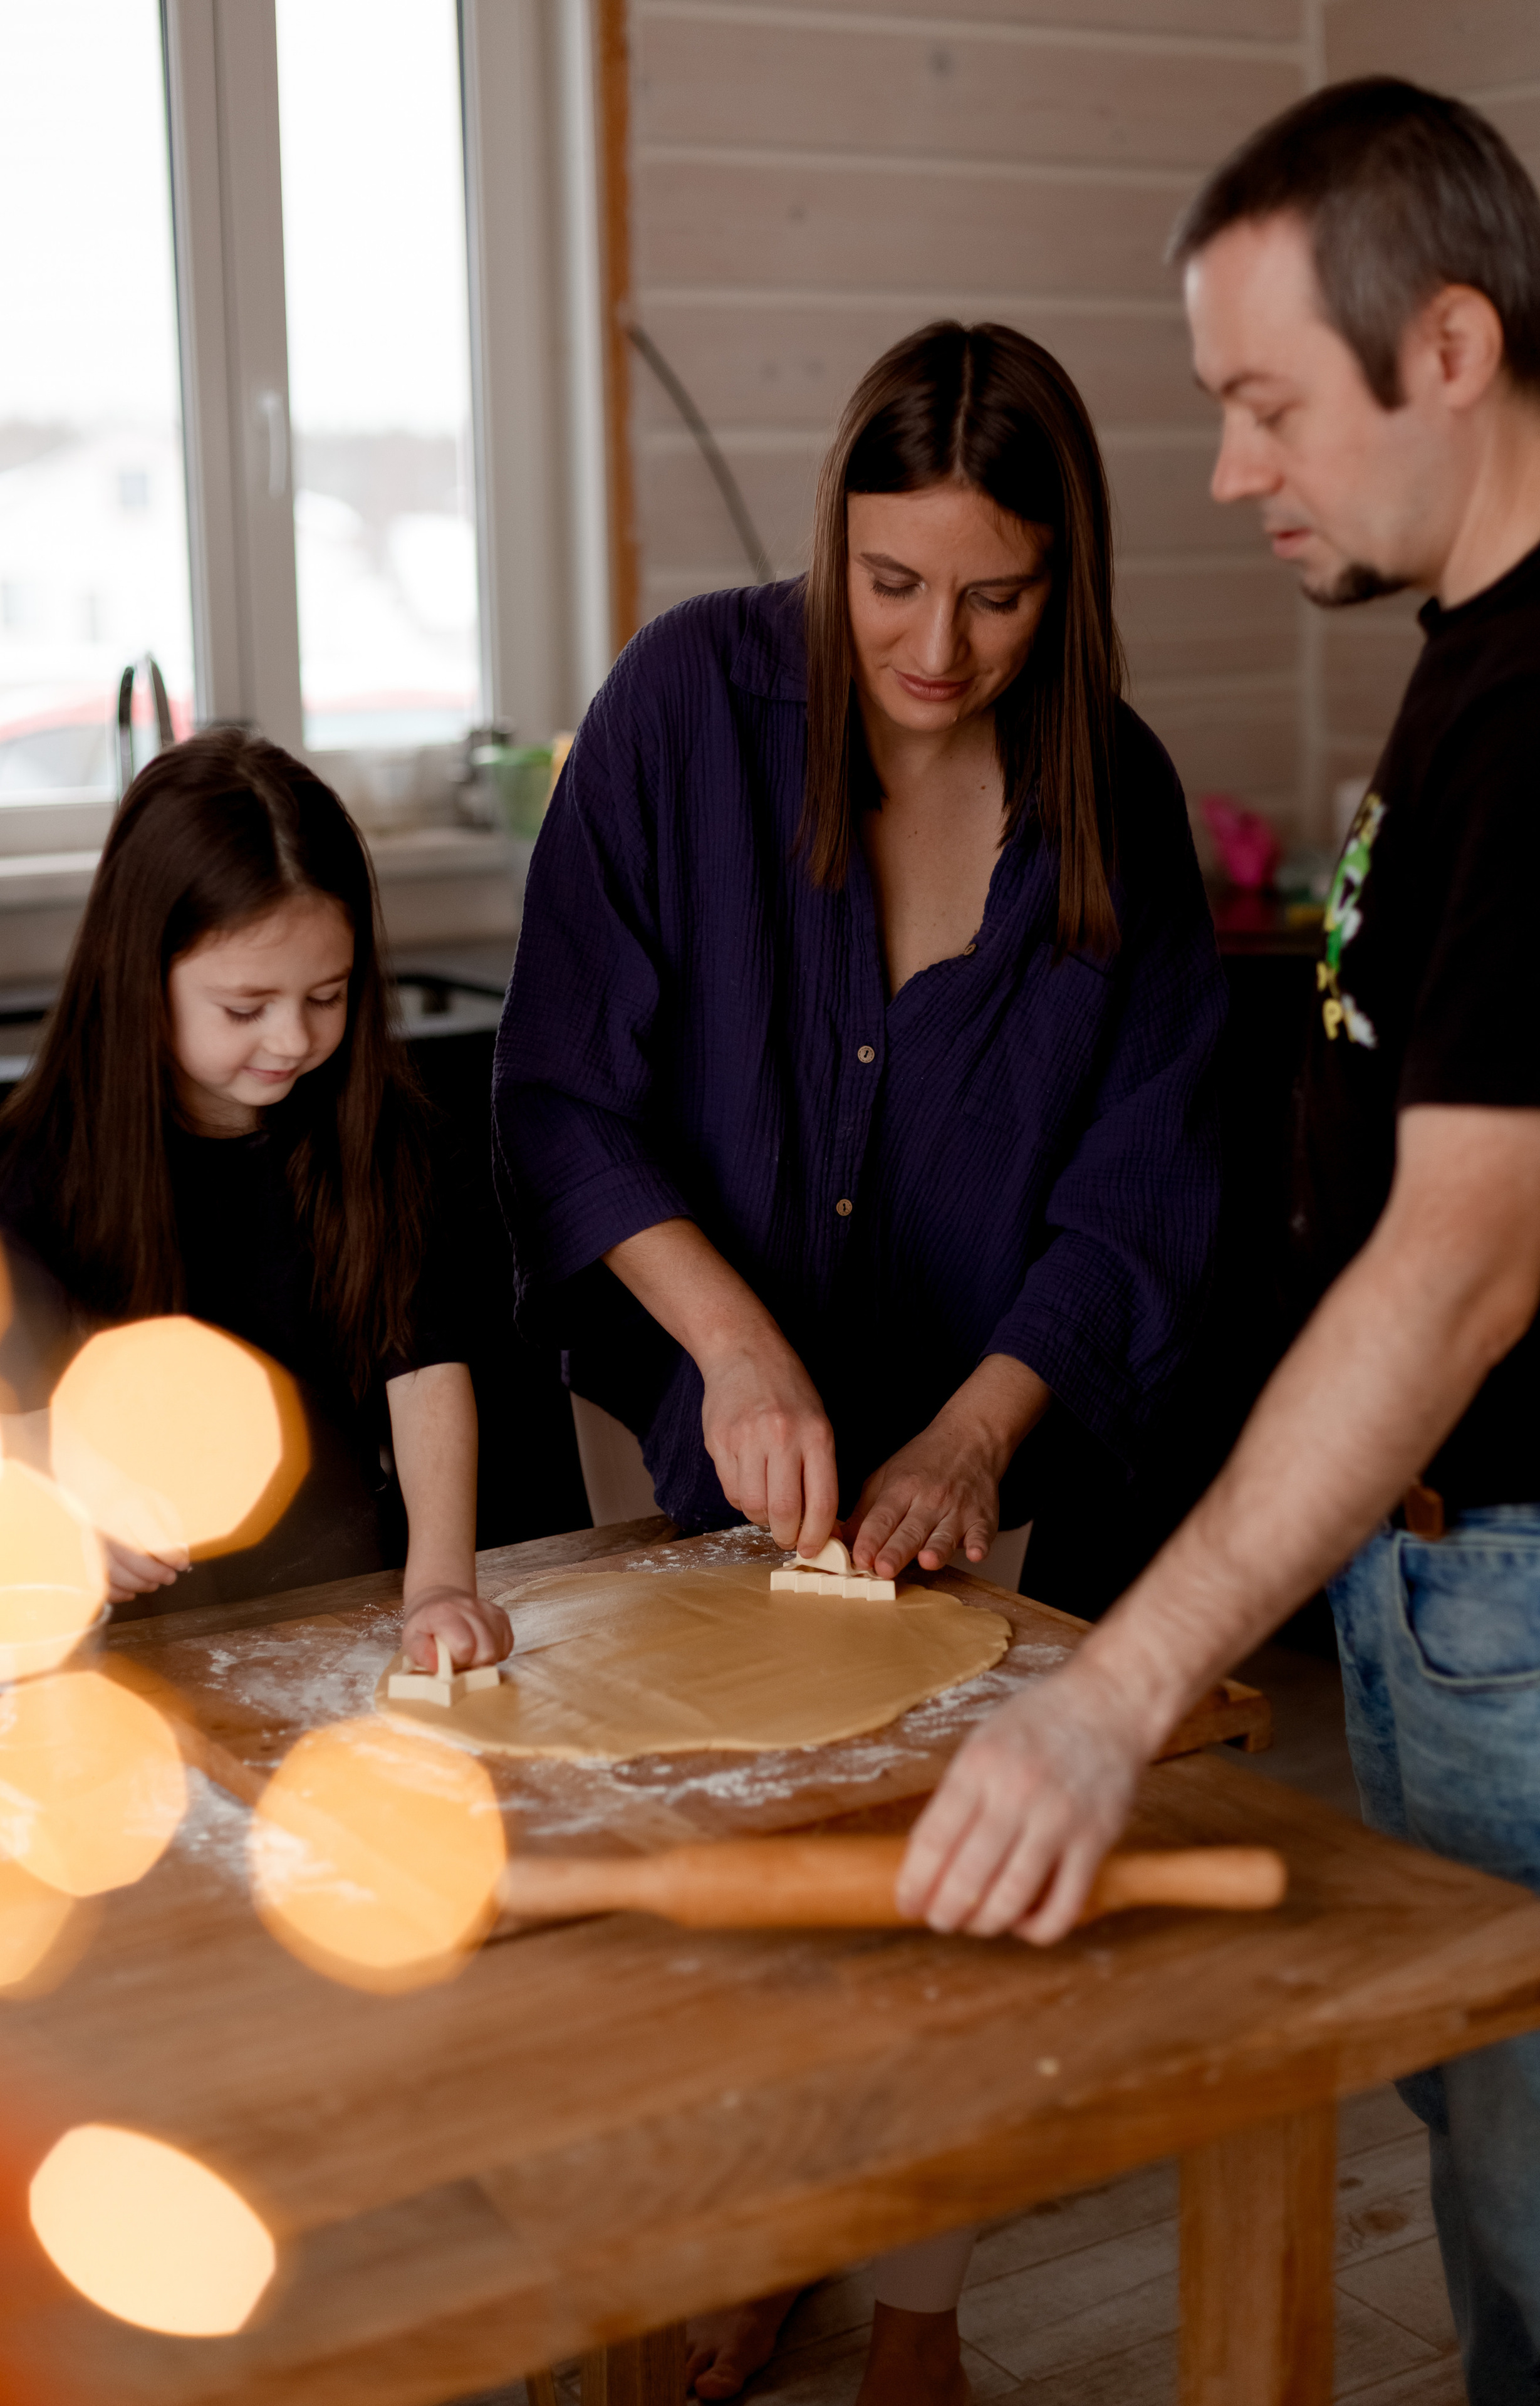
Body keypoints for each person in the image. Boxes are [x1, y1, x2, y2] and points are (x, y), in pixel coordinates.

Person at [897, 80, 1540, 2406]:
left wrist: (1112, 1692)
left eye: (1264, 401)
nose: (1228, 469)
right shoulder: (1485, 656)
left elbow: (1462, 1268)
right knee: (1514, 2215)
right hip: (1463, 1601)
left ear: (1455, 348)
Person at [492, 321, 1227, 2403]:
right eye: (890, 583)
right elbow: (561, 1097)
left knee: (936, 1896)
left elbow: (1145, 1183)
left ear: (1063, 579)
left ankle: (919, 2319)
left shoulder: (1119, 794)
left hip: (977, 1436)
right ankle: (748, 2248)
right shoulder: (680, 714)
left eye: (996, 595)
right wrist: (731, 1345)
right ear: (832, 539)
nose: (935, 642)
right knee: (721, 1889)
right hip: (695, 1417)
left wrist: (980, 1437)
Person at [0, 729, 511, 1678]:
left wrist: (440, 1586)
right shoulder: (40, 1168)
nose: (293, 1037)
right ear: (140, 977)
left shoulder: (381, 1137)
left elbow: (428, 1373)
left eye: (328, 994)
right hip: (128, 1653)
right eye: (246, 1008)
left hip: (343, 1607)